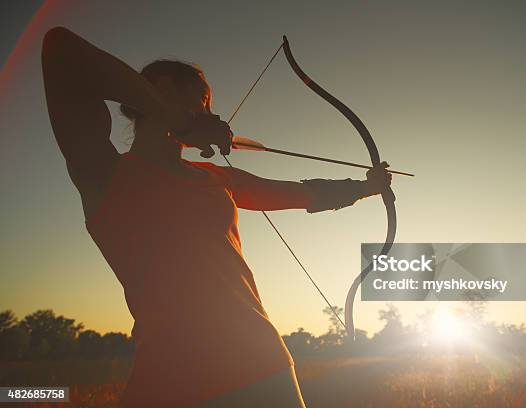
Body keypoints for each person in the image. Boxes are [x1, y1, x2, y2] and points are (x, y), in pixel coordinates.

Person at [41, 27, 393, 408]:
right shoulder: (102, 172)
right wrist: (182, 120)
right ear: (161, 87)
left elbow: (302, 193)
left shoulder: (215, 177)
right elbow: (61, 51)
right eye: (203, 101)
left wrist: (364, 187)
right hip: (167, 382)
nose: (213, 114)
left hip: (261, 367)